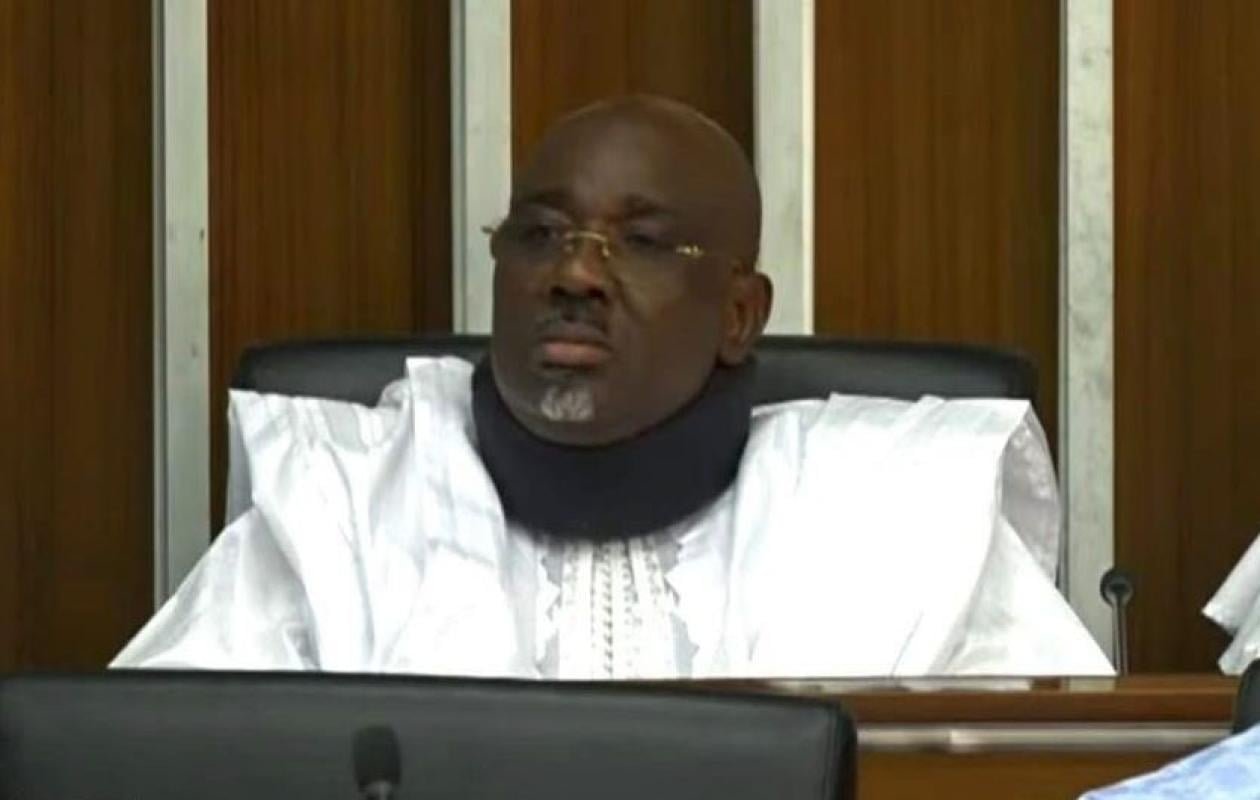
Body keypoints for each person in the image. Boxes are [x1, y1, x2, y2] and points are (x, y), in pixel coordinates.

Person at [115, 95, 1112, 678]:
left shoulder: (905, 516)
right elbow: (157, 761)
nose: (574, 273)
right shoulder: (341, 506)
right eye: (541, 233)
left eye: (639, 242)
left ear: (739, 314)